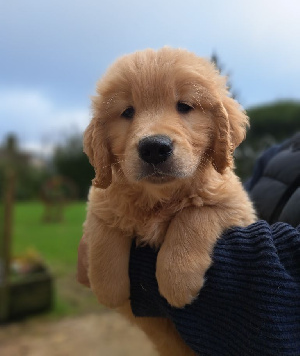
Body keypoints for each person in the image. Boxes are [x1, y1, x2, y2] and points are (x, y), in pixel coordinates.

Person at [78, 134, 300, 355]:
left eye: (184, 107)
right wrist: (105, 231)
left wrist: (141, 264)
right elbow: (245, 205)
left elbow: (233, 204)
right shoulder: (282, 151)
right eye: (128, 112)